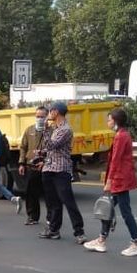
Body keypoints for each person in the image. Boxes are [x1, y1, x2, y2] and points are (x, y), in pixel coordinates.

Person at [84, 108, 137, 256]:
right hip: (121, 178)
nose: (108, 122)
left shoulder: (120, 136)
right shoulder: (124, 134)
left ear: (116, 121)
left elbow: (115, 161)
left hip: (120, 179)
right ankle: (101, 240)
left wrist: (109, 180)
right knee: (108, 209)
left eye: (109, 119)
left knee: (122, 211)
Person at [39, 102, 87, 244]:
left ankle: (79, 232)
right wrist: (41, 154)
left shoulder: (65, 129)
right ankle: (54, 230)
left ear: (56, 112)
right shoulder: (55, 128)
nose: (48, 114)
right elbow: (50, 149)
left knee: (68, 201)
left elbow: (52, 145)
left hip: (61, 170)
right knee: (53, 202)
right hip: (49, 168)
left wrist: (45, 130)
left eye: (50, 111)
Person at [18, 106, 52, 225]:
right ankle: (32, 216)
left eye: (42, 117)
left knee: (49, 193)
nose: (40, 119)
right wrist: (22, 163)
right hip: (31, 166)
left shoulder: (51, 131)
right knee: (31, 193)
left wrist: (46, 160)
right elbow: (23, 147)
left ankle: (50, 218)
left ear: (47, 117)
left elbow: (54, 150)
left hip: (47, 166)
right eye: (38, 116)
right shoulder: (29, 130)